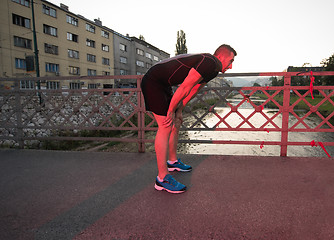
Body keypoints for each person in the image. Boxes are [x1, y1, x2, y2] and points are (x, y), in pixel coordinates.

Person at [141, 44, 237, 193]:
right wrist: (171, 110)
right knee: (165, 125)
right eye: (231, 61)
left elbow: (193, 89)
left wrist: (179, 110)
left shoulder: (213, 70)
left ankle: (172, 162)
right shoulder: (210, 62)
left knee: (175, 123)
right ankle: (162, 178)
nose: (231, 66)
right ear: (221, 56)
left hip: (163, 84)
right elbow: (184, 87)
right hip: (153, 82)